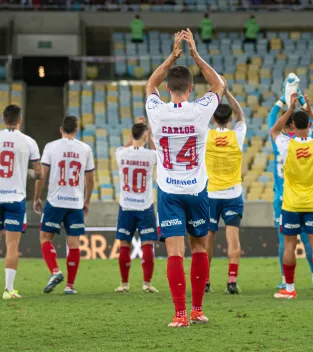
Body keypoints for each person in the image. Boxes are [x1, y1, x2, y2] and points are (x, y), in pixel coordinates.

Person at [145, 29, 224, 327]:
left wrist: (172, 55)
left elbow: (150, 83)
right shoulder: (200, 110)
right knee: (200, 248)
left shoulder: (157, 111)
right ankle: (197, 310)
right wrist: (195, 54)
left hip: (168, 191)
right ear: (191, 88)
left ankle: (179, 314)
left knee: (175, 253)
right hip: (196, 189)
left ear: (168, 89)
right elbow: (219, 84)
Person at [270, 93, 313, 300]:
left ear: (293, 125)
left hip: (292, 204)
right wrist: (311, 112)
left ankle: (289, 287)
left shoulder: (287, 145)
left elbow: (274, 129)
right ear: (310, 124)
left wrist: (289, 109)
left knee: (289, 245)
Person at [0, 105, 42, 299]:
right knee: (12, 245)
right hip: (15, 199)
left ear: (3, 119)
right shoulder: (29, 142)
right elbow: (39, 173)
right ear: (19, 119)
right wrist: (26, 172)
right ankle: (9, 289)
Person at [33, 115, 95, 295]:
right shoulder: (85, 149)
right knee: (74, 244)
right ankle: (70, 286)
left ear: (61, 129)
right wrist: (87, 200)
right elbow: (90, 179)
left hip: (55, 201)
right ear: (76, 130)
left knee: (45, 238)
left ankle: (55, 271)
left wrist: (37, 197)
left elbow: (41, 175)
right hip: (75, 202)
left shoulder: (51, 147)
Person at [267, 78, 313, 290]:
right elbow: (310, 119)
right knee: (307, 239)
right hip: (306, 196)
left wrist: (283, 97)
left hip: (283, 199)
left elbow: (271, 119)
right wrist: (299, 95)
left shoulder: (280, 143)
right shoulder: (305, 139)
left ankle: (285, 279)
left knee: (285, 241)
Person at [205, 78, 246, 295]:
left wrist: (215, 92)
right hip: (233, 193)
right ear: (230, 119)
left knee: (207, 239)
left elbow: (199, 118)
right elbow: (242, 115)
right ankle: (231, 280)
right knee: (233, 238)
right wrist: (227, 92)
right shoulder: (237, 135)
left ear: (213, 118)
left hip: (210, 194)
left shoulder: (206, 135)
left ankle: (206, 281)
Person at [114, 120, 159, 294]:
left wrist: (135, 134)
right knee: (147, 243)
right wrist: (151, 135)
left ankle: (124, 284)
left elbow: (126, 147)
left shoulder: (121, 153)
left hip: (126, 206)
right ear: (145, 137)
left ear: (132, 135)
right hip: (145, 206)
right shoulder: (150, 155)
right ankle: (147, 284)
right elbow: (158, 153)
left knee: (124, 244)